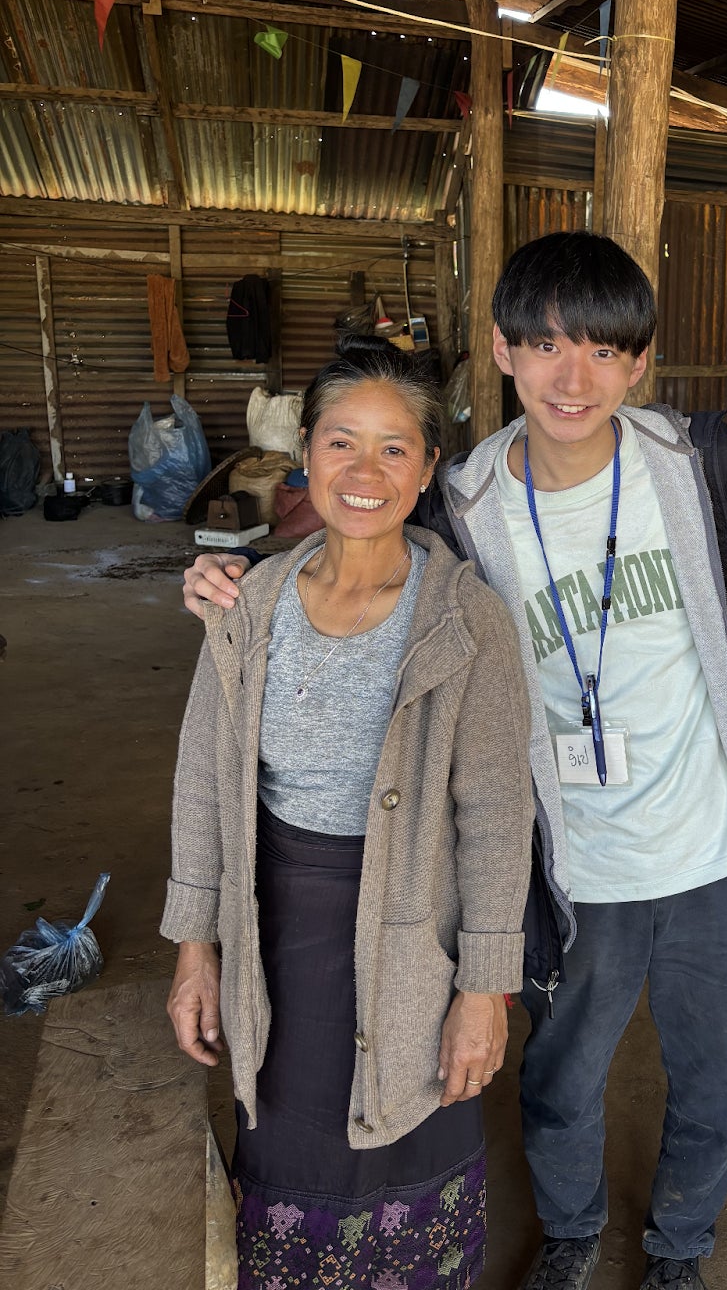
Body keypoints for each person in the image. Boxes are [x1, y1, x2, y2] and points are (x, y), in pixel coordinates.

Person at [182, 233, 727, 1290]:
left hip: (714, 852)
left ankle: (679, 1248)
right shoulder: (465, 503)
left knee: (711, 1079)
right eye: (544, 345)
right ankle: (574, 1233)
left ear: (639, 362)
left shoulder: (700, 463)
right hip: (573, 860)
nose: (571, 377)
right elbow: (365, 518)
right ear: (502, 351)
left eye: (600, 350)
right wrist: (247, 572)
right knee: (563, 1075)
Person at [162, 335, 533, 1290]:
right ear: (306, 454)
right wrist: (196, 946)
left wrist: (483, 991)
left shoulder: (466, 619)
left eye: (393, 448)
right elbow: (203, 779)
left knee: (410, 1142)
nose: (364, 473)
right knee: (285, 1159)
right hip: (277, 934)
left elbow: (498, 818)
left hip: (414, 940)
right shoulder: (249, 603)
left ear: (428, 468)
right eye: (341, 443)